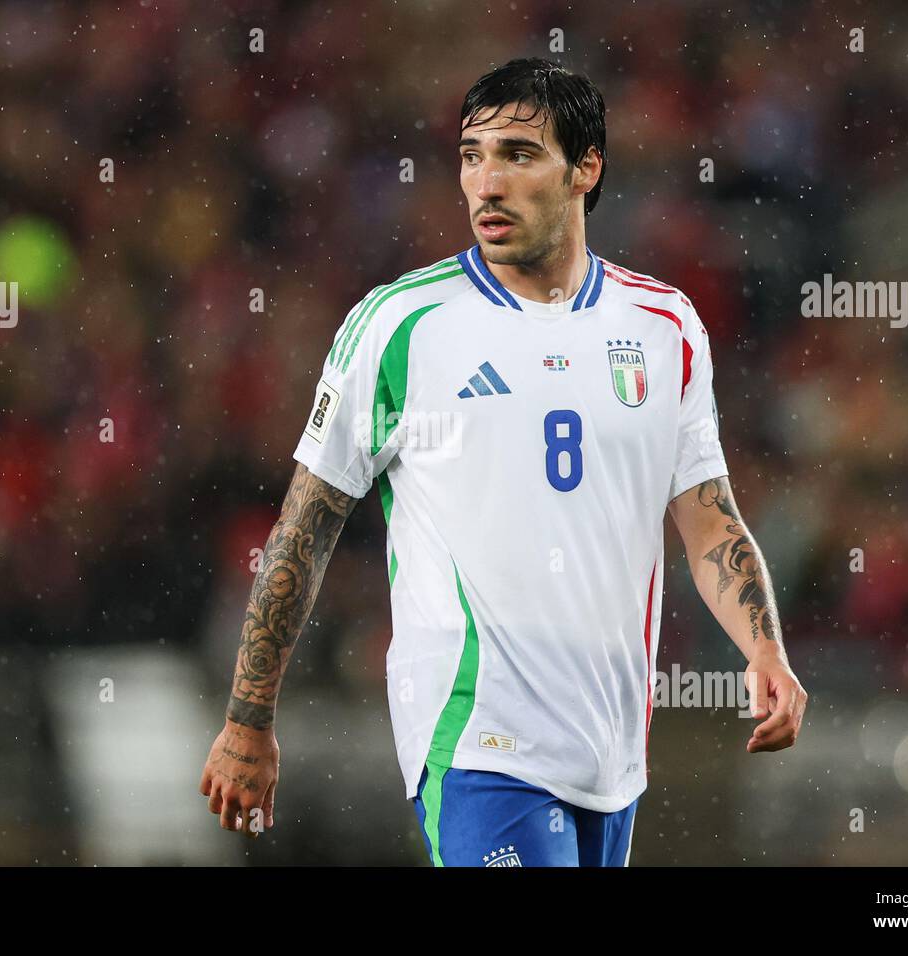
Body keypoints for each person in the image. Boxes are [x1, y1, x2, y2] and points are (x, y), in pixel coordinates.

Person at [199, 57, 807, 867]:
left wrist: (765, 650)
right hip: (474, 734)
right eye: (472, 155)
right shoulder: (401, 326)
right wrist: (248, 718)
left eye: (518, 155)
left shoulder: (665, 326)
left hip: (611, 750)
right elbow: (305, 526)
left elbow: (706, 521)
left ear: (586, 168)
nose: (486, 182)